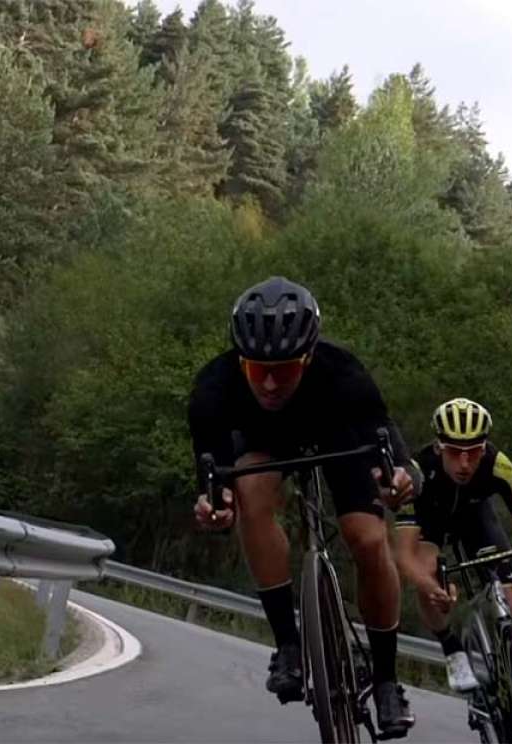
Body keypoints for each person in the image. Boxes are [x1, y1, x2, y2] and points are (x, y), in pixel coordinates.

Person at [188, 276, 421, 739]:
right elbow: (213, 472)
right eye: (258, 371)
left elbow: (384, 440)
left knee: (369, 540)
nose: (271, 384)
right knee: (251, 492)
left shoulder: (343, 373)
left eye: (287, 370)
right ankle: (288, 645)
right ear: (240, 360)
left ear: (310, 357)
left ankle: (387, 679)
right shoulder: (214, 388)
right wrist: (216, 505)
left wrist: (401, 476)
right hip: (264, 443)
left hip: (339, 437)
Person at [393, 398, 512, 743]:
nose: (465, 463)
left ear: (485, 447)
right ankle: (452, 648)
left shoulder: (498, 464)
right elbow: (404, 555)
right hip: (431, 524)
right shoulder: (417, 471)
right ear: (438, 446)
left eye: (474, 452)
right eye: (455, 452)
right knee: (429, 572)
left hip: (477, 522)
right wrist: (430, 587)